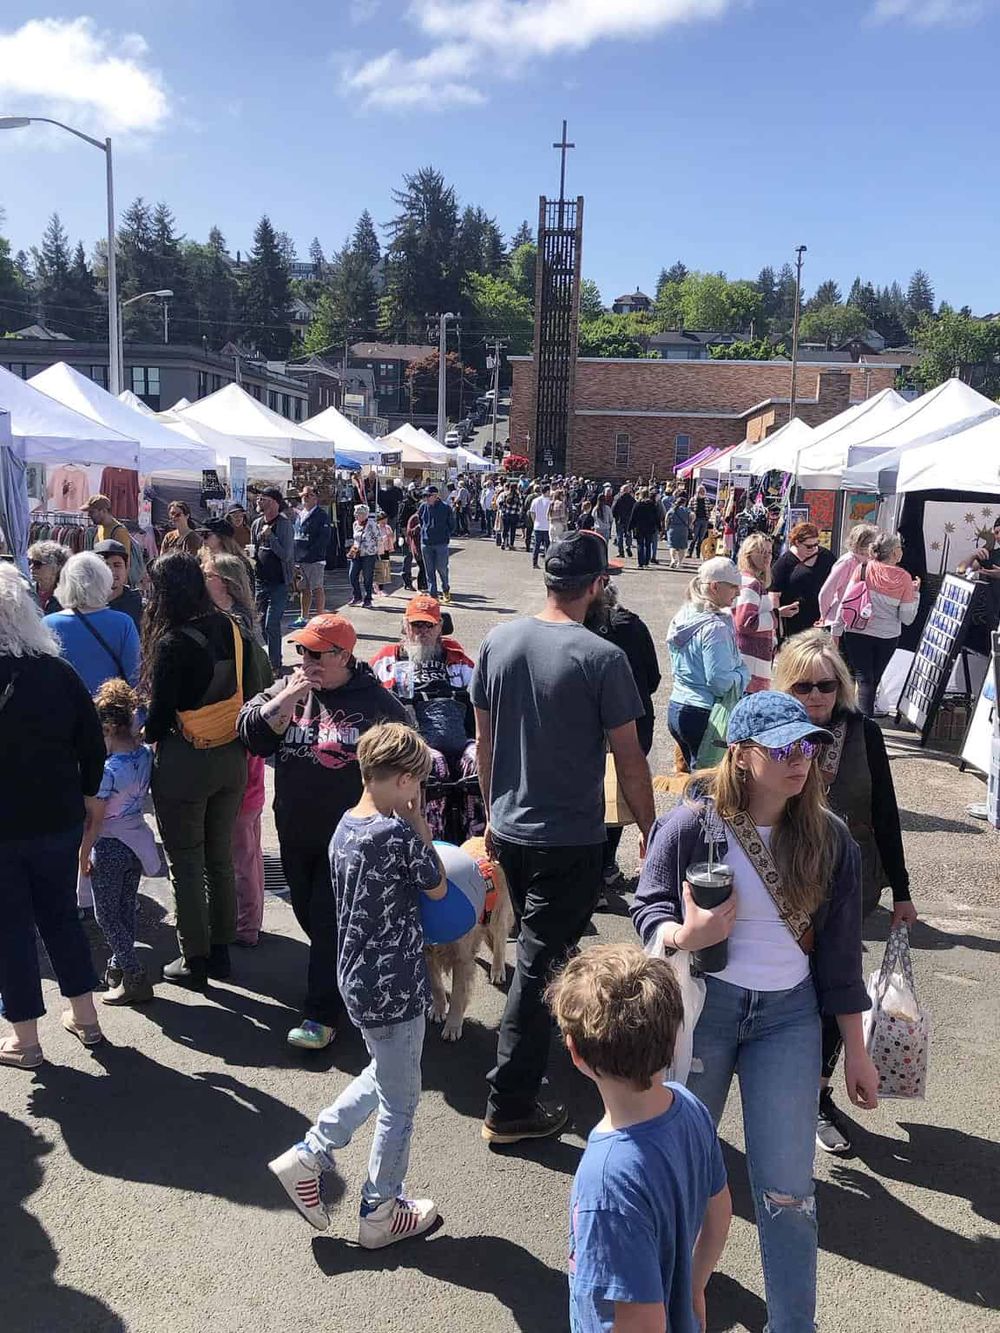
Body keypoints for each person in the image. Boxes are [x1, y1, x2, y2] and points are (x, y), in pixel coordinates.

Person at [632, 690, 879, 1333]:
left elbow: (841, 959)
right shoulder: (692, 824)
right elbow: (647, 904)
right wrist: (683, 935)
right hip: (706, 1010)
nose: (800, 760)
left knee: (788, 1190)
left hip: (789, 1019)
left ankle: (793, 1325)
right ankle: (672, 1312)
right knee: (683, 1172)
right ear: (741, 755)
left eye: (809, 747)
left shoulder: (831, 839)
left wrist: (855, 1051)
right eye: (783, 748)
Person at [472, 532, 656, 1144]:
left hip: (513, 829)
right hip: (569, 838)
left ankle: (549, 1055)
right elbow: (630, 760)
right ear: (597, 585)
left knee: (542, 952)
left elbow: (485, 744)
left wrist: (492, 814)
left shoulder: (498, 641)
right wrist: (651, 830)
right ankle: (509, 1102)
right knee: (537, 965)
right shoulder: (602, 657)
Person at [267, 722, 446, 1245]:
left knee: (385, 1075)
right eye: (418, 781)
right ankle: (379, 1210)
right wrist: (419, 825)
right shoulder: (396, 836)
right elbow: (437, 886)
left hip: (357, 979)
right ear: (405, 780)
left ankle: (310, 1155)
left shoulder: (346, 825)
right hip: (396, 986)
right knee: (401, 1103)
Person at [773, 628, 917, 1153]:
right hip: (781, 881)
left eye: (826, 685)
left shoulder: (864, 734)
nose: (816, 695)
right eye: (803, 686)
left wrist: (902, 891)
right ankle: (775, 1081)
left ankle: (816, 1094)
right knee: (786, 983)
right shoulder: (770, 729)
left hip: (849, 880)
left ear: (842, 686)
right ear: (786, 686)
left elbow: (885, 813)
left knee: (839, 984)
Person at [238, 614, 408, 1050]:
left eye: (316, 653)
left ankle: (321, 1015)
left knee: (327, 919)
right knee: (309, 914)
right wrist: (288, 698)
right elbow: (252, 734)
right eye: (301, 650)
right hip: (295, 828)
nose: (306, 659)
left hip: (350, 840)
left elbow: (408, 756)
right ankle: (351, 974)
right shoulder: (291, 688)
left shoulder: (375, 702)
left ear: (343, 656)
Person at [548, 944, 732, 1333]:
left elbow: (642, 1321)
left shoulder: (605, 1179)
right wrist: (695, 1285)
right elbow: (719, 1212)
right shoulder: (689, 1107)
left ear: (576, 1052)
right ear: (673, 1038)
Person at [0, 564, 106, 1068]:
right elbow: (92, 743)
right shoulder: (57, 672)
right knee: (60, 915)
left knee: (10, 930)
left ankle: (25, 1039)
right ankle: (86, 1017)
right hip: (57, 817)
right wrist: (88, 794)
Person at [143, 552, 265, 990]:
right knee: (219, 856)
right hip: (231, 756)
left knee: (186, 861)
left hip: (185, 762)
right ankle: (221, 953)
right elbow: (255, 687)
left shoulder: (171, 643)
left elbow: (158, 720)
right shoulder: (232, 628)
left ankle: (193, 958)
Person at [201, 550, 273, 948]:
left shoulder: (237, 632)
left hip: (240, 748)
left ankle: (245, 925)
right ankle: (245, 920)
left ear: (225, 584)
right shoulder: (234, 626)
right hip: (239, 747)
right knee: (243, 843)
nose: (201, 578)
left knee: (242, 844)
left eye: (207, 573)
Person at [371, 594, 484, 843]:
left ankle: (475, 838)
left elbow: (482, 700)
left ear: (440, 626)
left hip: (459, 737)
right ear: (405, 625)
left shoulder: (459, 660)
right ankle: (428, 841)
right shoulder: (387, 659)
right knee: (434, 763)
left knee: (478, 760)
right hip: (410, 741)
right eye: (416, 624)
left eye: (428, 625)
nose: (422, 631)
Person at [79, 679, 159, 1006]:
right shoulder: (144, 755)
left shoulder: (107, 770)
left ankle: (134, 974)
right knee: (125, 909)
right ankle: (118, 967)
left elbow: (95, 821)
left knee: (106, 917)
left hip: (109, 845)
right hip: (136, 841)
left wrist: (83, 854)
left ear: (109, 728)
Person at [584, 564, 660, 891]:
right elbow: (653, 679)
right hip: (634, 722)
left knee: (593, 797)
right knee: (618, 796)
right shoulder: (633, 625)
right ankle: (605, 866)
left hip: (589, 728)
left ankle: (595, 870)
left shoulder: (576, 628)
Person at [665, 557, 749, 768]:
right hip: (704, 714)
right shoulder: (715, 628)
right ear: (715, 587)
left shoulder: (684, 615)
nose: (738, 593)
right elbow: (719, 682)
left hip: (678, 706)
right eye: (733, 587)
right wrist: (742, 673)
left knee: (693, 776)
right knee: (709, 780)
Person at [839, 530, 920, 717]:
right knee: (872, 680)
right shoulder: (904, 578)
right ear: (894, 552)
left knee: (864, 678)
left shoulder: (863, 568)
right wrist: (915, 593)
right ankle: (864, 721)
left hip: (857, 631)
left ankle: (859, 717)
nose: (902, 551)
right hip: (887, 636)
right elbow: (907, 618)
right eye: (900, 548)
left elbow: (847, 600)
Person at [44, 552, 140, 694]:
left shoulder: (48, 623)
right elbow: (134, 675)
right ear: (105, 582)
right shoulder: (123, 623)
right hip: (108, 703)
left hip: (63, 704)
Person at [732, 532, 785, 694]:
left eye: (769, 552)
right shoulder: (752, 584)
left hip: (745, 658)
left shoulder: (742, 579)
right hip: (751, 660)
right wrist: (775, 615)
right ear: (748, 554)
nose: (767, 557)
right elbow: (744, 623)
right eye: (762, 552)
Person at [251, 487, 295, 672]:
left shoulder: (284, 525)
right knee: (262, 624)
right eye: (259, 499)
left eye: (264, 499)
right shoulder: (256, 523)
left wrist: (271, 538)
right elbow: (254, 547)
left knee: (272, 624)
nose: (259, 502)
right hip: (261, 581)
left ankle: (274, 664)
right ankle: (272, 657)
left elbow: (286, 555)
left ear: (275, 503)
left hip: (279, 582)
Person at [770, 521, 835, 639]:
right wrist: (777, 627)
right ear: (797, 543)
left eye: (816, 544)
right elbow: (774, 594)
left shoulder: (826, 556)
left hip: (822, 620)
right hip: (795, 623)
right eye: (809, 546)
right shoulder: (784, 563)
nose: (814, 549)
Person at [818, 522, 880, 638]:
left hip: (862, 622)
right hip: (842, 622)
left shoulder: (871, 562)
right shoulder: (847, 562)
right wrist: (825, 616)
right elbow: (826, 592)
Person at [291, 484, 331, 627]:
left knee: (317, 588)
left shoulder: (321, 515)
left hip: (314, 559)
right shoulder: (299, 514)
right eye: (303, 495)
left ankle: (320, 618)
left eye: (309, 495)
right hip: (300, 559)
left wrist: (312, 554)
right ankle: (304, 617)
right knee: (304, 589)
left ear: (316, 498)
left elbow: (324, 539)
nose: (305, 498)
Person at [418, 486, 457, 603]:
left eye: (428, 496)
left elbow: (452, 524)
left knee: (442, 568)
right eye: (424, 496)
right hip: (426, 543)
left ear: (435, 496)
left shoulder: (445, 507)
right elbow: (420, 521)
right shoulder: (423, 507)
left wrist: (445, 534)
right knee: (429, 571)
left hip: (441, 543)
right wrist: (424, 532)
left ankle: (445, 589)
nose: (426, 498)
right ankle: (433, 595)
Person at [95, 539, 143, 630]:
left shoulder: (139, 605)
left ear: (126, 568)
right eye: (105, 566)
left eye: (117, 565)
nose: (111, 572)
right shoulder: (87, 606)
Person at [347, 502, 381, 609]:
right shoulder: (355, 524)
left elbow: (378, 537)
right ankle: (357, 596)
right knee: (352, 575)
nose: (358, 515)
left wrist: (376, 549)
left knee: (367, 577)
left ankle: (368, 599)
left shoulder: (372, 523)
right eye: (357, 514)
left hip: (369, 554)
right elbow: (355, 538)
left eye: (361, 514)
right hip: (356, 553)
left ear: (366, 514)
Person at [28, 540, 69, 613]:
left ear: (56, 568)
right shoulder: (27, 591)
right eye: (30, 562)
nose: (31, 567)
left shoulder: (67, 595)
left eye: (37, 564)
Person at [629, 487, 660, 569]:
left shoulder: (637, 504)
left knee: (640, 544)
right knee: (648, 545)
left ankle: (640, 563)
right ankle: (646, 562)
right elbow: (656, 517)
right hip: (649, 527)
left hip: (639, 527)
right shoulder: (652, 504)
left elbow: (633, 517)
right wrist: (659, 527)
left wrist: (629, 528)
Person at [529, 484, 553, 568]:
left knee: (536, 546)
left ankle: (534, 563)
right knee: (547, 546)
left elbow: (532, 512)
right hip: (547, 526)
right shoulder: (550, 502)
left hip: (537, 526)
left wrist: (534, 521)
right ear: (547, 491)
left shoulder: (535, 500)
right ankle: (547, 564)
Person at [665, 495, 691, 569]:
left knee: (672, 546)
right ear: (684, 503)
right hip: (683, 529)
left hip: (672, 528)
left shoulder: (672, 509)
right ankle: (679, 563)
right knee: (682, 547)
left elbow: (666, 518)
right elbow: (693, 515)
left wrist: (666, 527)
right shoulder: (686, 510)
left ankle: (673, 559)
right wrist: (690, 524)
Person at [611, 484, 635, 559]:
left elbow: (613, 509)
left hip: (620, 519)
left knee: (619, 536)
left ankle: (621, 552)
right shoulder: (632, 499)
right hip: (628, 520)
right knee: (628, 534)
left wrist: (615, 516)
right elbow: (634, 509)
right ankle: (628, 546)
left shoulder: (618, 498)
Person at [687, 485, 710, 557]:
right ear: (697, 491)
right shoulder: (693, 499)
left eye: (703, 491)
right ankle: (689, 552)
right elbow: (689, 509)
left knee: (701, 538)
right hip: (696, 520)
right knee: (694, 537)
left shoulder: (707, 500)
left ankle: (698, 553)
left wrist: (708, 517)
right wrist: (691, 517)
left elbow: (709, 509)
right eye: (700, 491)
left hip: (704, 520)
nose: (702, 492)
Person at [499, 484, 522, 550]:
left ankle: (503, 542)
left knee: (505, 530)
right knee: (512, 531)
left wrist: (503, 512)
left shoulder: (506, 495)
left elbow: (501, 504)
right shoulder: (518, 496)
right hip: (514, 515)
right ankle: (511, 544)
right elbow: (520, 506)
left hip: (506, 515)